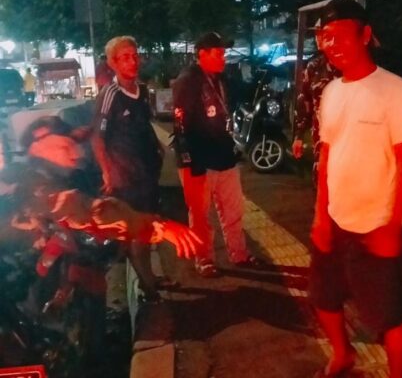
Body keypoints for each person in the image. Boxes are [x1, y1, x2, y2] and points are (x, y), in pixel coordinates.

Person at [308, 0, 402, 378]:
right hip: (336, 217)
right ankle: (343, 354)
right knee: (323, 297)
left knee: (389, 315)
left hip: (377, 223)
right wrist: (320, 216)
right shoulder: (331, 91)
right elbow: (327, 155)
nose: (332, 44)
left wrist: (392, 226)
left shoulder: (394, 89)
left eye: (341, 35)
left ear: (366, 35)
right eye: (325, 37)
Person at [2, 116, 199, 259]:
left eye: (75, 144)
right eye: (65, 146)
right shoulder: (36, 187)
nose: (75, 153)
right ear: (36, 146)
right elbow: (94, 211)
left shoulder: (39, 176)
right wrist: (159, 227)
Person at [172, 32, 256, 278]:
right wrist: (188, 160)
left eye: (223, 53)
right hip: (198, 160)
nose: (223, 58)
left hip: (224, 155)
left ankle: (239, 254)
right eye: (218, 53)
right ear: (202, 54)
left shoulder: (222, 79)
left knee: (233, 211)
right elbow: (180, 124)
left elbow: (239, 96)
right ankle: (204, 259)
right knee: (200, 216)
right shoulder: (188, 81)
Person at [91, 36, 169, 301]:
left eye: (135, 55)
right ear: (113, 63)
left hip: (147, 173)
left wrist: (158, 147)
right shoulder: (110, 95)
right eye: (125, 57)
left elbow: (143, 125)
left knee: (147, 227)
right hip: (126, 178)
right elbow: (97, 138)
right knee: (136, 232)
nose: (132, 61)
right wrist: (107, 171)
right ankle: (148, 289)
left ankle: (149, 277)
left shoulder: (142, 91)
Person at [292, 30, 340, 179]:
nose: (318, 38)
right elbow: (305, 102)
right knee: (322, 179)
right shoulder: (314, 67)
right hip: (322, 139)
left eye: (323, 34)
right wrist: (299, 135)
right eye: (317, 34)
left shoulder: (350, 66)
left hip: (350, 140)